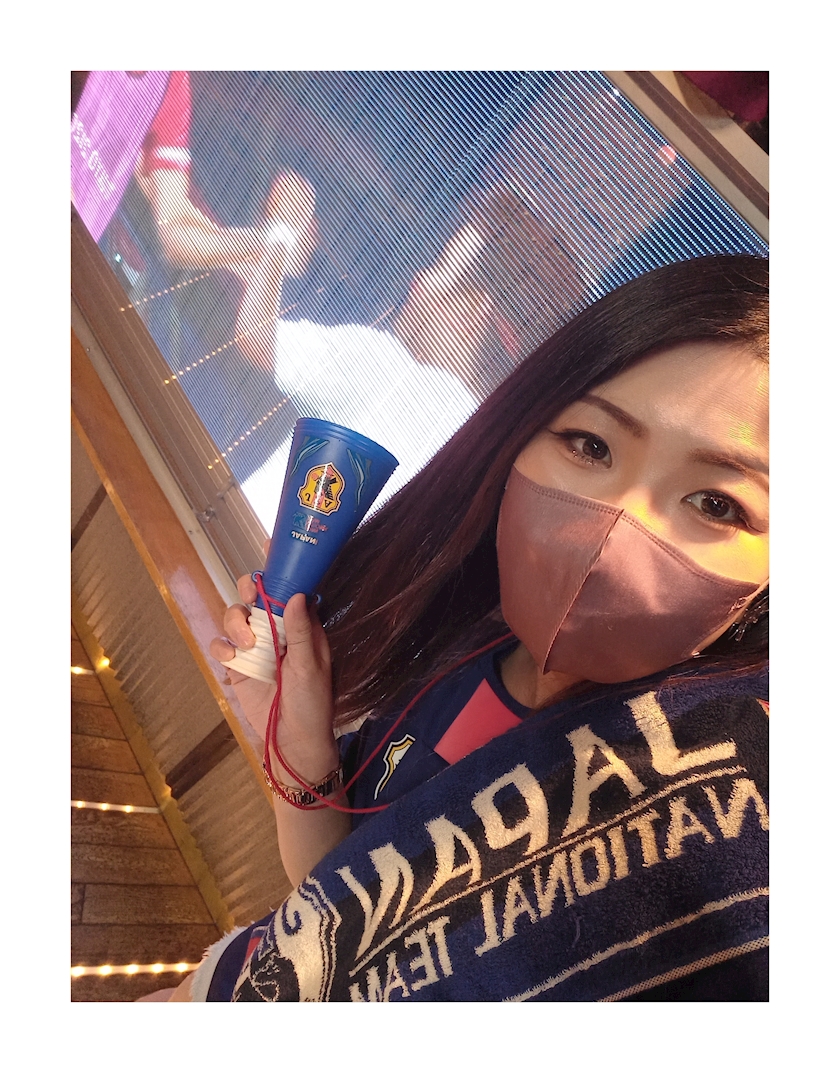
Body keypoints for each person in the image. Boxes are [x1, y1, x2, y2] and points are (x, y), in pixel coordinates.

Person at [163, 252, 769, 1002]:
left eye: (717, 503)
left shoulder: (696, 821)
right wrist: (299, 746)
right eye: (592, 445)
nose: (615, 528)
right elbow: (338, 902)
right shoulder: (459, 645)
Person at [234, 179, 499, 525]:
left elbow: (255, 336)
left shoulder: (385, 365)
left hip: (237, 544)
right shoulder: (483, 452)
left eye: (437, 274)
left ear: (476, 312)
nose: (417, 282)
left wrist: (282, 233)